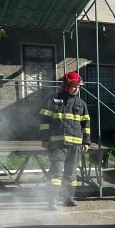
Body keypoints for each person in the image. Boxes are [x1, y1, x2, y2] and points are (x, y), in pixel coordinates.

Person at [39, 71, 90, 208]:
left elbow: (86, 124)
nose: (76, 89)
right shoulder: (53, 100)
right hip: (58, 144)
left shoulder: (81, 104)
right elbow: (45, 121)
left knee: (71, 174)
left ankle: (68, 198)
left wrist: (86, 141)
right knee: (56, 173)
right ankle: (52, 200)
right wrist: (45, 139)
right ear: (66, 85)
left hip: (75, 145)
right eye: (74, 86)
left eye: (79, 87)